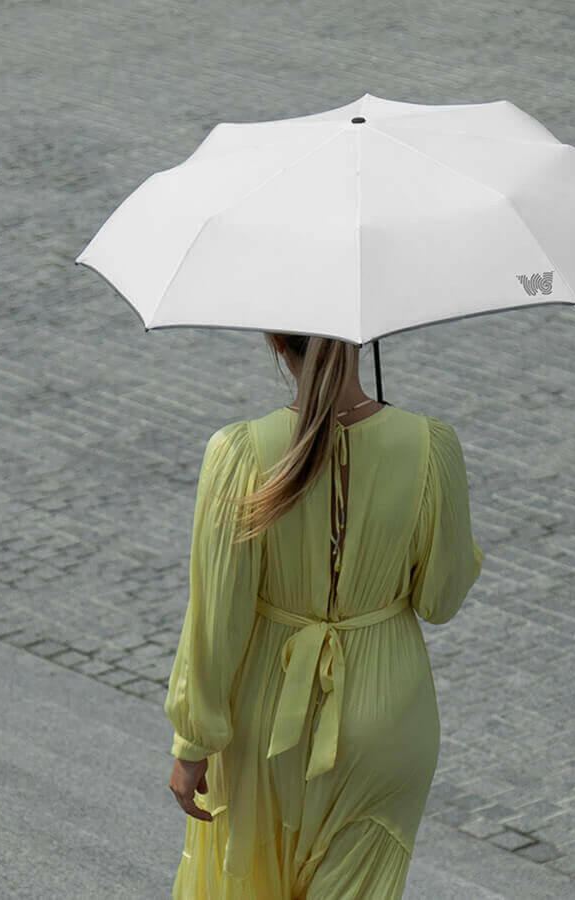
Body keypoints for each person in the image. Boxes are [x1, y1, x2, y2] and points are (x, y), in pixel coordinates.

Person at [164, 332, 485, 899]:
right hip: (386, 724)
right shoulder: (432, 448)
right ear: (369, 335)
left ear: (274, 343)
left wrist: (193, 742)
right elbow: (440, 599)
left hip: (266, 732)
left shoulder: (240, 453)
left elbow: (217, 618)